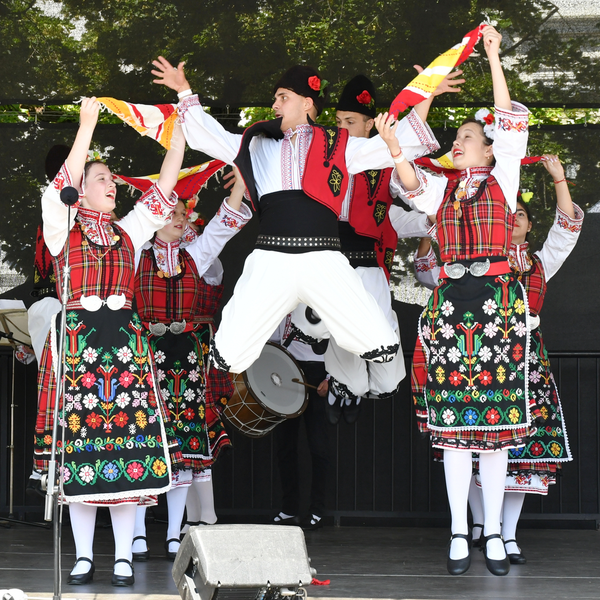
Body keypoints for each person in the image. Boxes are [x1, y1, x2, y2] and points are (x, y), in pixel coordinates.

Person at [150, 58, 441, 376]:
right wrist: (184, 91)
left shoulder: (338, 143)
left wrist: (423, 97)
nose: (274, 104)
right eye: (275, 98)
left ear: (307, 103)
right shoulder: (256, 143)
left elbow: (386, 148)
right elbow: (208, 136)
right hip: (271, 257)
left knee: (380, 344)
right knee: (229, 355)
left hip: (324, 258)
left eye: (282, 97)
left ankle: (370, 353)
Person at [378, 25, 536, 576]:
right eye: (459, 139)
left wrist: (493, 56)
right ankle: (458, 532)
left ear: (489, 148)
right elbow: (412, 188)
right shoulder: (444, 190)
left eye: (467, 137)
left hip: (494, 304)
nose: (458, 143)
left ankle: (492, 532)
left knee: (492, 430)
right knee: (453, 430)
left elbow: (507, 117)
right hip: (450, 308)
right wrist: (396, 147)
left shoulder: (505, 177)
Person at [33, 97, 185, 586]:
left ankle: (122, 557)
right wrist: (87, 126)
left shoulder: (130, 230)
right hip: (78, 355)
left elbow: (166, 186)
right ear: (82, 187)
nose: (111, 183)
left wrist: (181, 126)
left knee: (126, 455)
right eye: (102, 177)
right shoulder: (62, 228)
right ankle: (82, 556)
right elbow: (61, 188)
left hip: (123, 356)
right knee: (81, 457)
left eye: (113, 179)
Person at [415, 156, 582, 564]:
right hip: (473, 355)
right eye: (512, 213)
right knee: (468, 444)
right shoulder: (472, 256)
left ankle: (505, 535)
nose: (517, 219)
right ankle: (475, 526)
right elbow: (424, 272)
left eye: (523, 215)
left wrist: (559, 179)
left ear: (525, 225)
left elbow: (566, 230)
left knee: (515, 452)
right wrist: (430, 229)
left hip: (526, 366)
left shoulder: (538, 264)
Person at [322, 71, 462, 424]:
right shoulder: (324, 160)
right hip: (331, 268)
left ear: (371, 125)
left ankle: (356, 378)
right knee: (351, 375)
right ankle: (343, 384)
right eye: (338, 121)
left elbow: (403, 147)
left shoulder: (385, 166)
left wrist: (427, 92)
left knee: (387, 382)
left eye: (350, 121)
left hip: (370, 270)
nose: (342, 127)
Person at [131, 169, 251, 560]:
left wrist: (243, 185)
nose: (182, 218)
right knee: (144, 444)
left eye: (184, 213)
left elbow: (222, 227)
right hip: (146, 360)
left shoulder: (193, 255)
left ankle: (173, 531)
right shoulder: (133, 252)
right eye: (174, 213)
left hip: (187, 364)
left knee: (186, 447)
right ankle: (134, 533)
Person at [269, 314, 330, 529]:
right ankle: (289, 508)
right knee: (285, 445)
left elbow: (340, 341)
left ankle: (318, 510)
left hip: (319, 369)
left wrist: (330, 378)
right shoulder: (286, 298)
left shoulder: (324, 298)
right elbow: (274, 339)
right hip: (287, 368)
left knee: (318, 446)